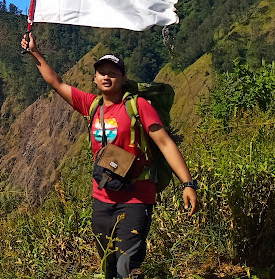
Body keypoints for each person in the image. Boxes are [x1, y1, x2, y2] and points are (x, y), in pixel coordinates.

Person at [21, 33, 198, 279]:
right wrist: (34, 52)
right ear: (94, 78)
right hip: (102, 198)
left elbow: (165, 143)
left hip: (136, 197)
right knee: (108, 265)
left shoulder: (138, 107)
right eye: (102, 72)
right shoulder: (91, 105)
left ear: (123, 78)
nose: (106, 76)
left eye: (113, 72)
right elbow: (56, 83)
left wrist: (188, 183)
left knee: (128, 265)